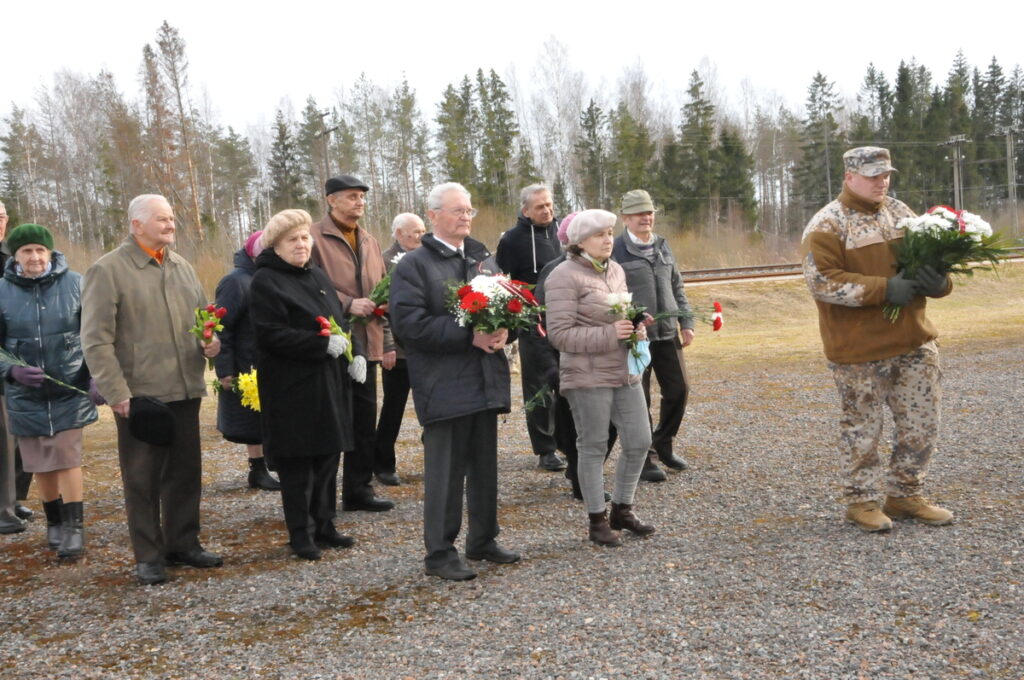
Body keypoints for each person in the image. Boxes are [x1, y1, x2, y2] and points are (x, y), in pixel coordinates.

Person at [801, 146, 955, 532]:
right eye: (872, 176)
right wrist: (885, 289)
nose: (881, 182)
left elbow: (931, 259)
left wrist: (940, 281)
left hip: (913, 341)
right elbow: (822, 282)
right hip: (858, 351)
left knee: (922, 425)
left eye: (885, 175)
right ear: (849, 177)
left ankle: (905, 494)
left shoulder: (901, 213)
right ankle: (862, 501)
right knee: (863, 429)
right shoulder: (828, 224)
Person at [82, 194, 223, 586]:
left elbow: (203, 321)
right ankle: (148, 556)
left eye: (172, 219)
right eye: (161, 219)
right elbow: (95, 340)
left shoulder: (182, 267)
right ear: (136, 225)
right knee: (142, 479)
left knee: (185, 473)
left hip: (185, 388)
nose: (170, 225)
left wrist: (212, 345)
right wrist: (116, 392)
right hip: (140, 396)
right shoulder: (107, 271)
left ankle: (183, 544)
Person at [390, 182, 520, 581]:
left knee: (484, 467)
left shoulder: (483, 259)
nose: (466, 216)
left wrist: (504, 333)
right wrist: (470, 336)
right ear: (433, 216)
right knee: (446, 472)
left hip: (484, 379)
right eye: (457, 210)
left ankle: (483, 539)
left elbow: (511, 305)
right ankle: (440, 552)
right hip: (443, 384)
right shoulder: (414, 265)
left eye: (469, 210)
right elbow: (409, 325)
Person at [250, 209, 367, 561]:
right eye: (292, 239)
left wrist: (356, 352)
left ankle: (325, 524)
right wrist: (318, 346)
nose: (301, 244)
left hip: (328, 383)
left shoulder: (316, 274)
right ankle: (300, 533)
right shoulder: (266, 281)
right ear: (276, 245)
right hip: (292, 387)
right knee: (299, 463)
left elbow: (338, 321)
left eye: (304, 237)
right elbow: (270, 335)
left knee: (328, 456)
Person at [545, 209, 656, 546]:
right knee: (592, 447)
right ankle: (597, 521)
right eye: (599, 234)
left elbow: (616, 314)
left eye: (610, 232)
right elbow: (559, 335)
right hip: (586, 375)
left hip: (624, 370)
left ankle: (622, 509)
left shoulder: (616, 269)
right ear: (579, 242)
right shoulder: (562, 276)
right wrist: (610, 334)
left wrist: (634, 324)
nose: (608, 239)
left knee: (639, 441)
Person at [0, 224, 102, 557]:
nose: (34, 257)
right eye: (27, 251)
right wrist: (11, 370)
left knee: (67, 456)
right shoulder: (1, 289)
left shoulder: (76, 284)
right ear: (15, 256)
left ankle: (74, 528)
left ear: (50, 252)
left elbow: (94, 334)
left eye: (40, 250)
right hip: (24, 394)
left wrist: (96, 376)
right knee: (40, 461)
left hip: (68, 388)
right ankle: (54, 521)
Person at [310, 175, 394, 512]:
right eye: (351, 196)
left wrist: (387, 340)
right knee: (331, 421)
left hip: (367, 342)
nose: (359, 202)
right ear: (331, 200)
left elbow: (381, 291)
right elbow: (310, 287)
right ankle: (321, 499)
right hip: (330, 342)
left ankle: (359, 490)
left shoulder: (370, 240)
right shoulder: (313, 238)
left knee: (363, 420)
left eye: (361, 196)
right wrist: (346, 303)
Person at [611, 189, 694, 483]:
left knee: (679, 390)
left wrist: (686, 321)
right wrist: (630, 320)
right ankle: (643, 457)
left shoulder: (662, 245)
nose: (646, 218)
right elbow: (611, 294)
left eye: (649, 213)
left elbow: (677, 286)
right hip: (638, 336)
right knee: (639, 399)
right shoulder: (616, 249)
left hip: (668, 331)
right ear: (626, 218)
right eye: (638, 214)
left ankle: (664, 442)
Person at [495, 184, 566, 472]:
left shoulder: (563, 233)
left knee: (567, 382)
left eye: (549, 205)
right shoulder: (512, 240)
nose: (547, 210)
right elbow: (502, 281)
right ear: (526, 211)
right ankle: (545, 448)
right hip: (532, 321)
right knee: (538, 387)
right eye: (540, 207)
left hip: (565, 318)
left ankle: (568, 440)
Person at [214, 230, 280, 491]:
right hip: (245, 360)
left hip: (270, 357)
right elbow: (222, 327)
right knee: (252, 419)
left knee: (269, 416)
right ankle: (257, 469)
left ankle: (271, 463)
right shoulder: (235, 281)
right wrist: (225, 370)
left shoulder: (271, 278)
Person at [373, 213, 426, 487]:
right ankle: (383, 463)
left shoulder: (428, 258)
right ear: (398, 234)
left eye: (422, 231)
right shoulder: (383, 261)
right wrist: (387, 345)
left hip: (426, 347)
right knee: (393, 408)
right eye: (414, 232)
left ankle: (437, 457)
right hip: (398, 350)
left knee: (431, 404)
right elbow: (378, 307)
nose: (420, 236)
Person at [0, 202, 28, 535]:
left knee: (22, 432)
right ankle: (3, 507)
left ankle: (16, 496)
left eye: (2, 217)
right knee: (4, 438)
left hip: (20, 354)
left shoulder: (11, 258)